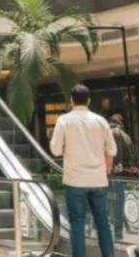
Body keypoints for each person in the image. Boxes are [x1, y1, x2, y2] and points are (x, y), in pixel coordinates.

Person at [49, 85, 116, 257]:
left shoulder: (64, 120)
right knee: (103, 223)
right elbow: (112, 150)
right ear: (89, 101)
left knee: (77, 224)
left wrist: (66, 149)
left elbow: (55, 149)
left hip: (75, 180)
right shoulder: (100, 121)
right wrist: (106, 168)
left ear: (71, 100)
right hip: (98, 180)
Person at [109, 114, 139, 241]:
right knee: (119, 202)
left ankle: (119, 229)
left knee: (107, 202)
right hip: (120, 175)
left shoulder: (106, 133)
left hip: (107, 175)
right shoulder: (124, 136)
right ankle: (118, 232)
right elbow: (131, 156)